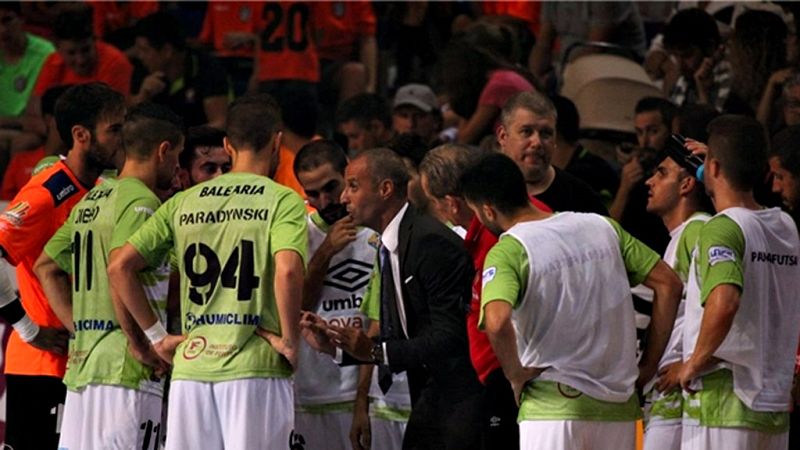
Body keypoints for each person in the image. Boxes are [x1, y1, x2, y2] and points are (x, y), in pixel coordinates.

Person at [107, 94, 307, 449]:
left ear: (228, 146)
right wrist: (290, 340)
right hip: (255, 367)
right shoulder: (282, 199)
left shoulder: (185, 200)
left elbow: (120, 267)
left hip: (191, 369)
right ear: (278, 141)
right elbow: (288, 270)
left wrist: (157, 337)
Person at [461, 152, 681, 450]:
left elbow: (497, 322)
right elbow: (669, 283)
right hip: (619, 406)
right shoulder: (602, 227)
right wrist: (649, 364)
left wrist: (515, 374)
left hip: (551, 408)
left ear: (487, 210)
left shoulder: (509, 249)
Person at [302, 148, 483, 449]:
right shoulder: (391, 244)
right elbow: (394, 333)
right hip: (431, 395)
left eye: (353, 186)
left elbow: (450, 336)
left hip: (459, 398)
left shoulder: (430, 242)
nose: (343, 198)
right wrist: (335, 348)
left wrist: (375, 352)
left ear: (385, 189)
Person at [34, 102, 184, 449]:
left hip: (84, 365)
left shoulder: (93, 199)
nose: (178, 166)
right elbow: (120, 270)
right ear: (163, 150)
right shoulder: (142, 202)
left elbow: (47, 266)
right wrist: (144, 341)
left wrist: (80, 326)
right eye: (178, 155)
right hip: (125, 371)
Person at [0, 82, 126, 450]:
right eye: (114, 129)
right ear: (81, 135)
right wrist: (27, 328)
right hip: (43, 366)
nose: (123, 138)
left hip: (83, 363)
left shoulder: (104, 188)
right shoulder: (46, 193)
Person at [679, 116, 800, 450]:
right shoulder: (785, 227)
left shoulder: (722, 228)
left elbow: (725, 301)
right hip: (773, 405)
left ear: (714, 167)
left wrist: (693, 364)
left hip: (723, 402)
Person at [419, 143, 550, 450]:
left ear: (451, 203)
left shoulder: (503, 234)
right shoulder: (487, 229)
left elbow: (500, 319)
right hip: (504, 376)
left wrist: (513, 374)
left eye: (431, 201)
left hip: (515, 376)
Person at [290, 139, 384, 449]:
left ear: (347, 171)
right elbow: (296, 311)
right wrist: (326, 250)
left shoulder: (379, 228)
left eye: (331, 187)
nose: (325, 200)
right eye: (313, 194)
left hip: (373, 391)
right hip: (314, 389)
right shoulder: (298, 234)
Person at [640, 148, 712, 450]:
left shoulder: (699, 229)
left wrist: (688, 364)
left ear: (686, 185)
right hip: (669, 388)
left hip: (681, 389)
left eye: (661, 173)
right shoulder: (681, 236)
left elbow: (719, 300)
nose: (648, 181)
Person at [11, 6, 132, 154]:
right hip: (61, 133)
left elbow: (113, 119)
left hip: (99, 136)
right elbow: (33, 114)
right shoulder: (53, 61)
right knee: (23, 142)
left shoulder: (115, 62)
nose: (80, 60)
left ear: (95, 40)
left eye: (86, 50)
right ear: (57, 48)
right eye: (71, 53)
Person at [497, 90, 607, 214]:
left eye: (546, 133)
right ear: (503, 137)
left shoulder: (581, 199)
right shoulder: (482, 190)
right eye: (526, 131)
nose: (537, 142)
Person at [131, 12, 230, 129]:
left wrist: (180, 139)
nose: (140, 56)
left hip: (198, 142)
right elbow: (130, 124)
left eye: (145, 50)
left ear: (167, 51)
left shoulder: (207, 68)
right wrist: (143, 96)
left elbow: (219, 123)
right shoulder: (141, 68)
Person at [611, 97, 677, 254]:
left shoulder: (678, 174)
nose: (645, 141)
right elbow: (609, 229)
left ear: (670, 130)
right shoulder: (632, 173)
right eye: (639, 133)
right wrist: (624, 188)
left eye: (653, 131)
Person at [1, 85, 69, 200]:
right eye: (68, 117)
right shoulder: (20, 162)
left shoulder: (82, 166)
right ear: (49, 119)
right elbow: (5, 205)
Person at [662, 8, 731, 111]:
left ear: (710, 47)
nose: (680, 66)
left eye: (687, 55)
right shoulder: (685, 77)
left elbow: (712, 126)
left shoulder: (728, 79)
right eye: (676, 56)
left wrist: (702, 90)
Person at [392, 84, 442, 149]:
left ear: (436, 121)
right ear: (394, 121)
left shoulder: (450, 156)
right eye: (404, 116)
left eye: (419, 116)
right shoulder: (383, 155)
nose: (410, 124)